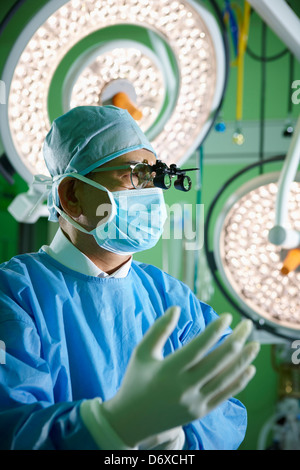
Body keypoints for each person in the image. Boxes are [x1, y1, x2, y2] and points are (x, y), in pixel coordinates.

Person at [0, 106, 259, 450]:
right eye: (135, 175)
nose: (151, 192)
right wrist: (112, 426)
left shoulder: (170, 298)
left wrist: (177, 439)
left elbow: (226, 414)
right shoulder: (15, 295)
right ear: (72, 194)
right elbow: (13, 428)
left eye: (154, 177)